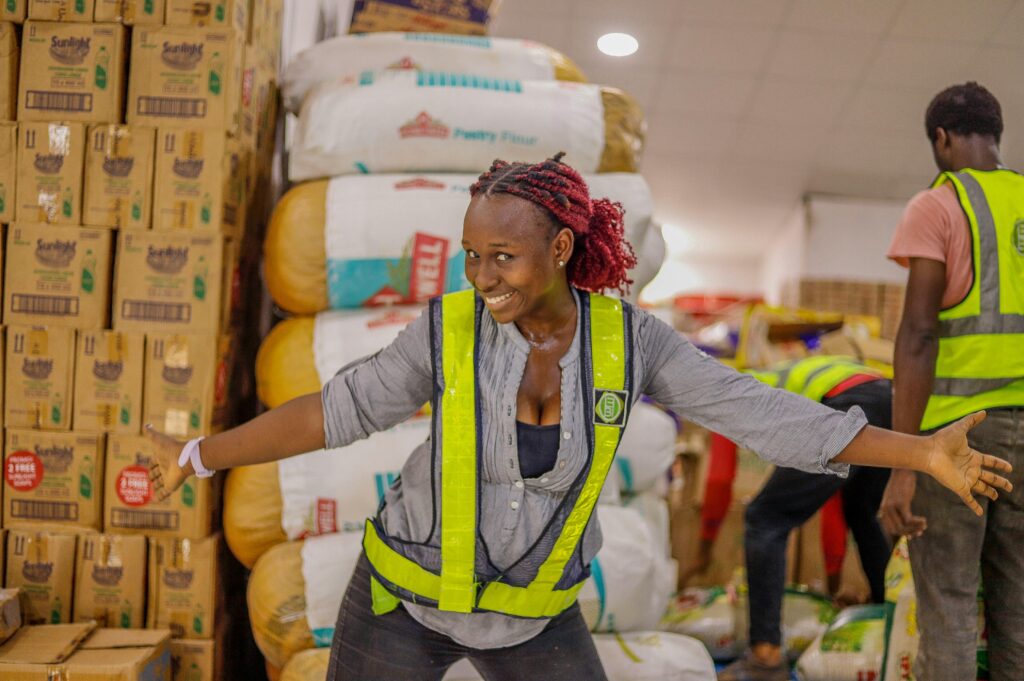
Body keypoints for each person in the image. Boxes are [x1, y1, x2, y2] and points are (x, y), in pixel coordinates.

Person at [146, 154, 1011, 681]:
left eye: (505, 257)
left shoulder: (633, 346)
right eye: (472, 254)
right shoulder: (448, 330)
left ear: (561, 249)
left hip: (533, 615)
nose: (483, 276)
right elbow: (334, 413)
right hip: (401, 601)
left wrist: (919, 452)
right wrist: (201, 452)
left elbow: (763, 414)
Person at [880, 82, 1024, 681]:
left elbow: (918, 335)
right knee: (1018, 616)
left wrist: (902, 463)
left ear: (941, 138)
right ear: (995, 134)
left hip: (958, 440)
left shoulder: (938, 206)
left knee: (951, 610)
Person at [705, 356, 892, 681]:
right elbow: (832, 500)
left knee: (764, 517)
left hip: (847, 406)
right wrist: (833, 582)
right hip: (887, 403)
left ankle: (764, 658)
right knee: (862, 512)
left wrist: (704, 550)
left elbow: (719, 481)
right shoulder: (771, 376)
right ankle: (887, 616)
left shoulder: (727, 396)